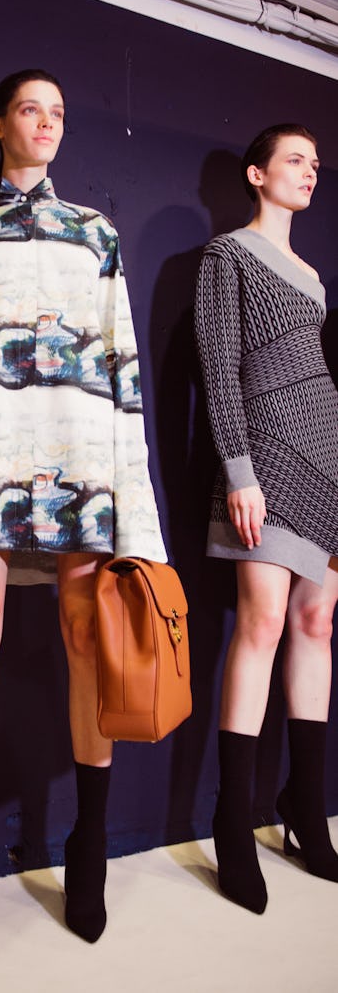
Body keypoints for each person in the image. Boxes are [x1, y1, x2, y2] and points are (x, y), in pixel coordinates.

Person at [0, 69, 166, 973]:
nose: (46, 123)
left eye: (58, 112)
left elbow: (126, 369)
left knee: (86, 641)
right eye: (31, 109)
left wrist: (134, 495)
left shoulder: (98, 234)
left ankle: (86, 840)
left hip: (83, 457)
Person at [195, 124, 338, 915]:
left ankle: (305, 811)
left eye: (316, 163)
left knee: (317, 627)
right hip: (267, 462)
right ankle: (231, 824)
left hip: (330, 462)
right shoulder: (229, 256)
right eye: (295, 159)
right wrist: (238, 473)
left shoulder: (314, 276)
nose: (309, 171)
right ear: (257, 174)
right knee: (261, 625)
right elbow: (219, 370)